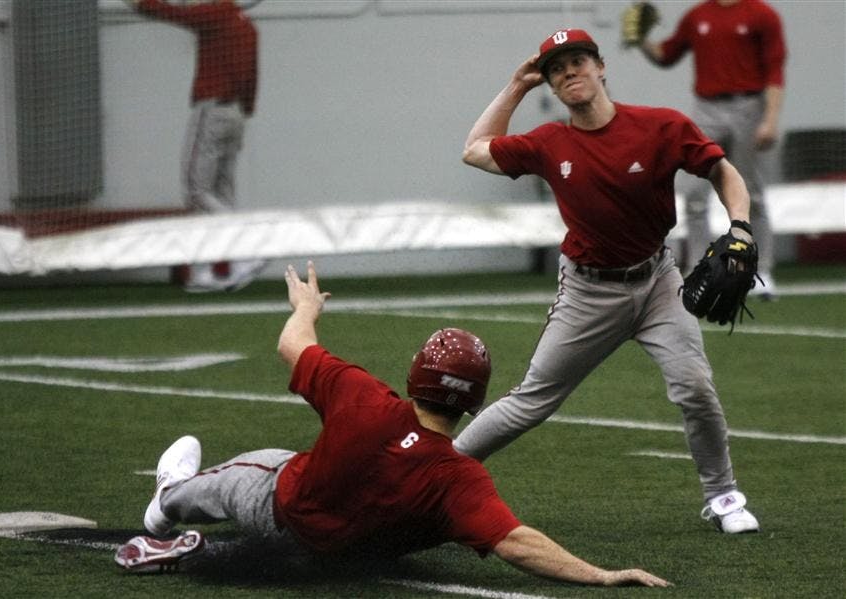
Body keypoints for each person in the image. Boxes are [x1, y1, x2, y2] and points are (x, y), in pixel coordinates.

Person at [115, 261, 670, 588]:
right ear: (474, 401)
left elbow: (291, 343)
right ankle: (203, 543)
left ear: (414, 375)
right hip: (346, 560)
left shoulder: (363, 397)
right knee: (429, 524)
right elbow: (517, 544)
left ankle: (166, 503)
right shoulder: (460, 480)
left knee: (257, 465)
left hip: (283, 512)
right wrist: (600, 574)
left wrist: (308, 306)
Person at [454, 29, 760, 534]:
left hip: (658, 282)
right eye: (557, 68)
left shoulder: (661, 126)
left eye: (578, 60)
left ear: (601, 67)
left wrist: (741, 228)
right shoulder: (549, 142)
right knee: (532, 400)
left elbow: (723, 172)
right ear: (550, 84)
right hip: (588, 293)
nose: (569, 72)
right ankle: (433, 471)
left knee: (695, 387)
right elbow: (475, 151)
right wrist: (515, 86)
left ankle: (724, 497)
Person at [635, 0, 786, 298]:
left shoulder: (761, 14)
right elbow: (666, 54)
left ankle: (761, 271)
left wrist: (770, 119)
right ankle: (698, 270)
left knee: (751, 191)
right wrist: (641, 41)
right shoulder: (697, 16)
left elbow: (774, 70)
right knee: (693, 193)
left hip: (749, 105)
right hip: (707, 108)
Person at [127, 0, 266, 292]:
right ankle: (223, 270)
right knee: (223, 195)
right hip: (237, 113)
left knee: (197, 190)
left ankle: (250, 247)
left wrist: (141, 3)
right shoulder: (246, 25)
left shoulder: (217, 14)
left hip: (212, 111)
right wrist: (243, 112)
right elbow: (252, 77)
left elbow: (177, 14)